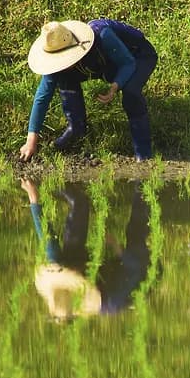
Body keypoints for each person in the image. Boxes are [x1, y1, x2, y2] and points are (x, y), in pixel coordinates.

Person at [19, 19, 158, 161]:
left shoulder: (103, 36)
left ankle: (143, 152)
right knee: (64, 77)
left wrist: (115, 86)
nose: (62, 63)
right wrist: (31, 141)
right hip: (102, 63)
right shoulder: (57, 59)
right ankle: (76, 128)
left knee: (130, 91)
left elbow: (128, 63)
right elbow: (42, 96)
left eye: (64, 58)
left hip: (136, 56)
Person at [21, 178, 152, 320]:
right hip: (139, 272)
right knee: (136, 232)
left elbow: (47, 239)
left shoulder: (61, 266)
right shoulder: (113, 299)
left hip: (93, 272)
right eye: (69, 274)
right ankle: (145, 180)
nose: (66, 271)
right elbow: (135, 266)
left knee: (80, 204)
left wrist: (34, 199)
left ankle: (50, 179)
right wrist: (115, 245)